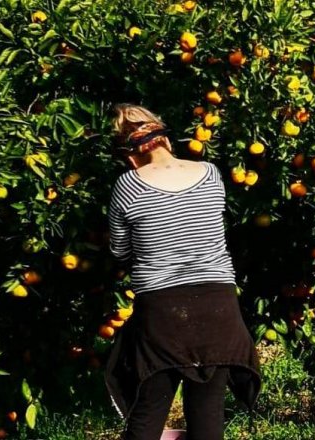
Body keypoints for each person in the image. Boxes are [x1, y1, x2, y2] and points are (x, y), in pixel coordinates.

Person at [104, 104, 260, 440]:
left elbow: (120, 252)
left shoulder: (127, 185)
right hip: (218, 307)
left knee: (147, 414)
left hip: (163, 314)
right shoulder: (210, 173)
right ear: (167, 142)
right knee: (207, 415)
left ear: (130, 156)